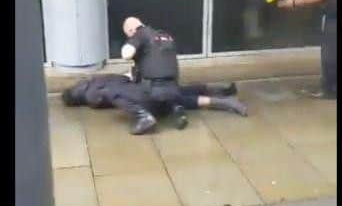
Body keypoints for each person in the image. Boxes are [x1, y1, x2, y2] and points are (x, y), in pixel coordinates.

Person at [61, 74, 248, 135]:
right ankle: (223, 90)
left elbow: (112, 98)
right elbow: (125, 78)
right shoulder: (98, 79)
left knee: (183, 99)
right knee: (181, 91)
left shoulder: (92, 96)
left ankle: (227, 102)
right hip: (145, 86)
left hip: (143, 96)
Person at [275, 0, 337, 98]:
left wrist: (293, 3)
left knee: (330, 54)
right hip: (332, 16)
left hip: (335, 18)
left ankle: (329, 91)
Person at [121, 17, 189, 129]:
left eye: (128, 35)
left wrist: (131, 43)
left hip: (152, 91)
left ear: (130, 31)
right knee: (165, 87)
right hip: (175, 90)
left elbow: (126, 54)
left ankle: (144, 118)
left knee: (118, 92)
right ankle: (176, 108)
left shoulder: (140, 34)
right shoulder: (165, 36)